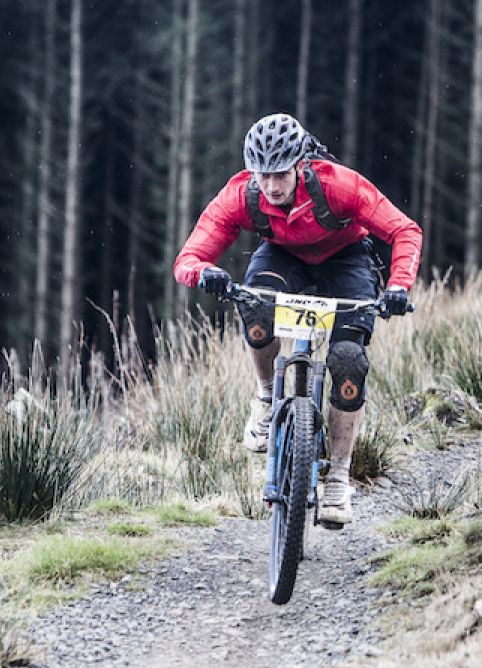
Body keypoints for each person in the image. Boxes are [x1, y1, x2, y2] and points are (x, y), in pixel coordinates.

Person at [172, 113, 422, 526]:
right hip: (283, 258)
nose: (271, 186)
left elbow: (405, 231)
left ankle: (339, 477)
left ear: (301, 164)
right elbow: (188, 258)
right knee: (253, 303)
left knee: (347, 359)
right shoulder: (241, 195)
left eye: (281, 174)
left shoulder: (340, 185)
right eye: (263, 175)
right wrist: (205, 273)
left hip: (346, 259)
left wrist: (398, 287)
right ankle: (268, 395)